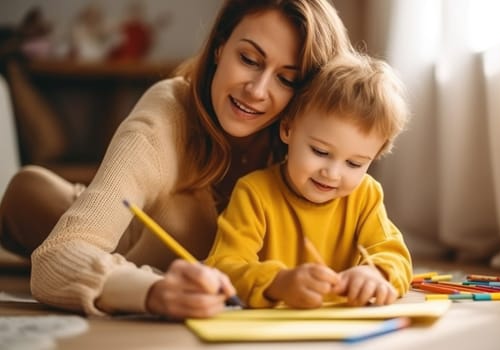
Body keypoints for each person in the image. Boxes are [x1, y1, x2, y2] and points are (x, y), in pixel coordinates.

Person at [0, 0, 353, 318]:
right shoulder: (167, 115)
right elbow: (55, 260)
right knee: (29, 191)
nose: (257, 91)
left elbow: (366, 242)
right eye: (248, 59)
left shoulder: (315, 143)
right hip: (125, 240)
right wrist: (152, 292)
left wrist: (373, 272)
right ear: (219, 47)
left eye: (287, 79)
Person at [205, 52, 412, 309]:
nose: (332, 173)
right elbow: (222, 267)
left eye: (354, 163)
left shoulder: (366, 195)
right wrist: (278, 283)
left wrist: (377, 274)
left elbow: (396, 256)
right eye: (320, 152)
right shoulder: (254, 193)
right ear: (288, 129)